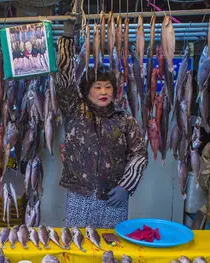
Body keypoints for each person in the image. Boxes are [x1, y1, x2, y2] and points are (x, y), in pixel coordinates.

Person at [54, 26, 148, 228]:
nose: (103, 91)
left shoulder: (125, 120)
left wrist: (126, 186)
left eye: (108, 87)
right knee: (79, 248)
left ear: (114, 91)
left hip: (113, 198)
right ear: (86, 91)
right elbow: (63, 80)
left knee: (111, 250)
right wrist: (67, 41)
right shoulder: (74, 110)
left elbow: (139, 154)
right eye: (97, 87)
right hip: (79, 196)